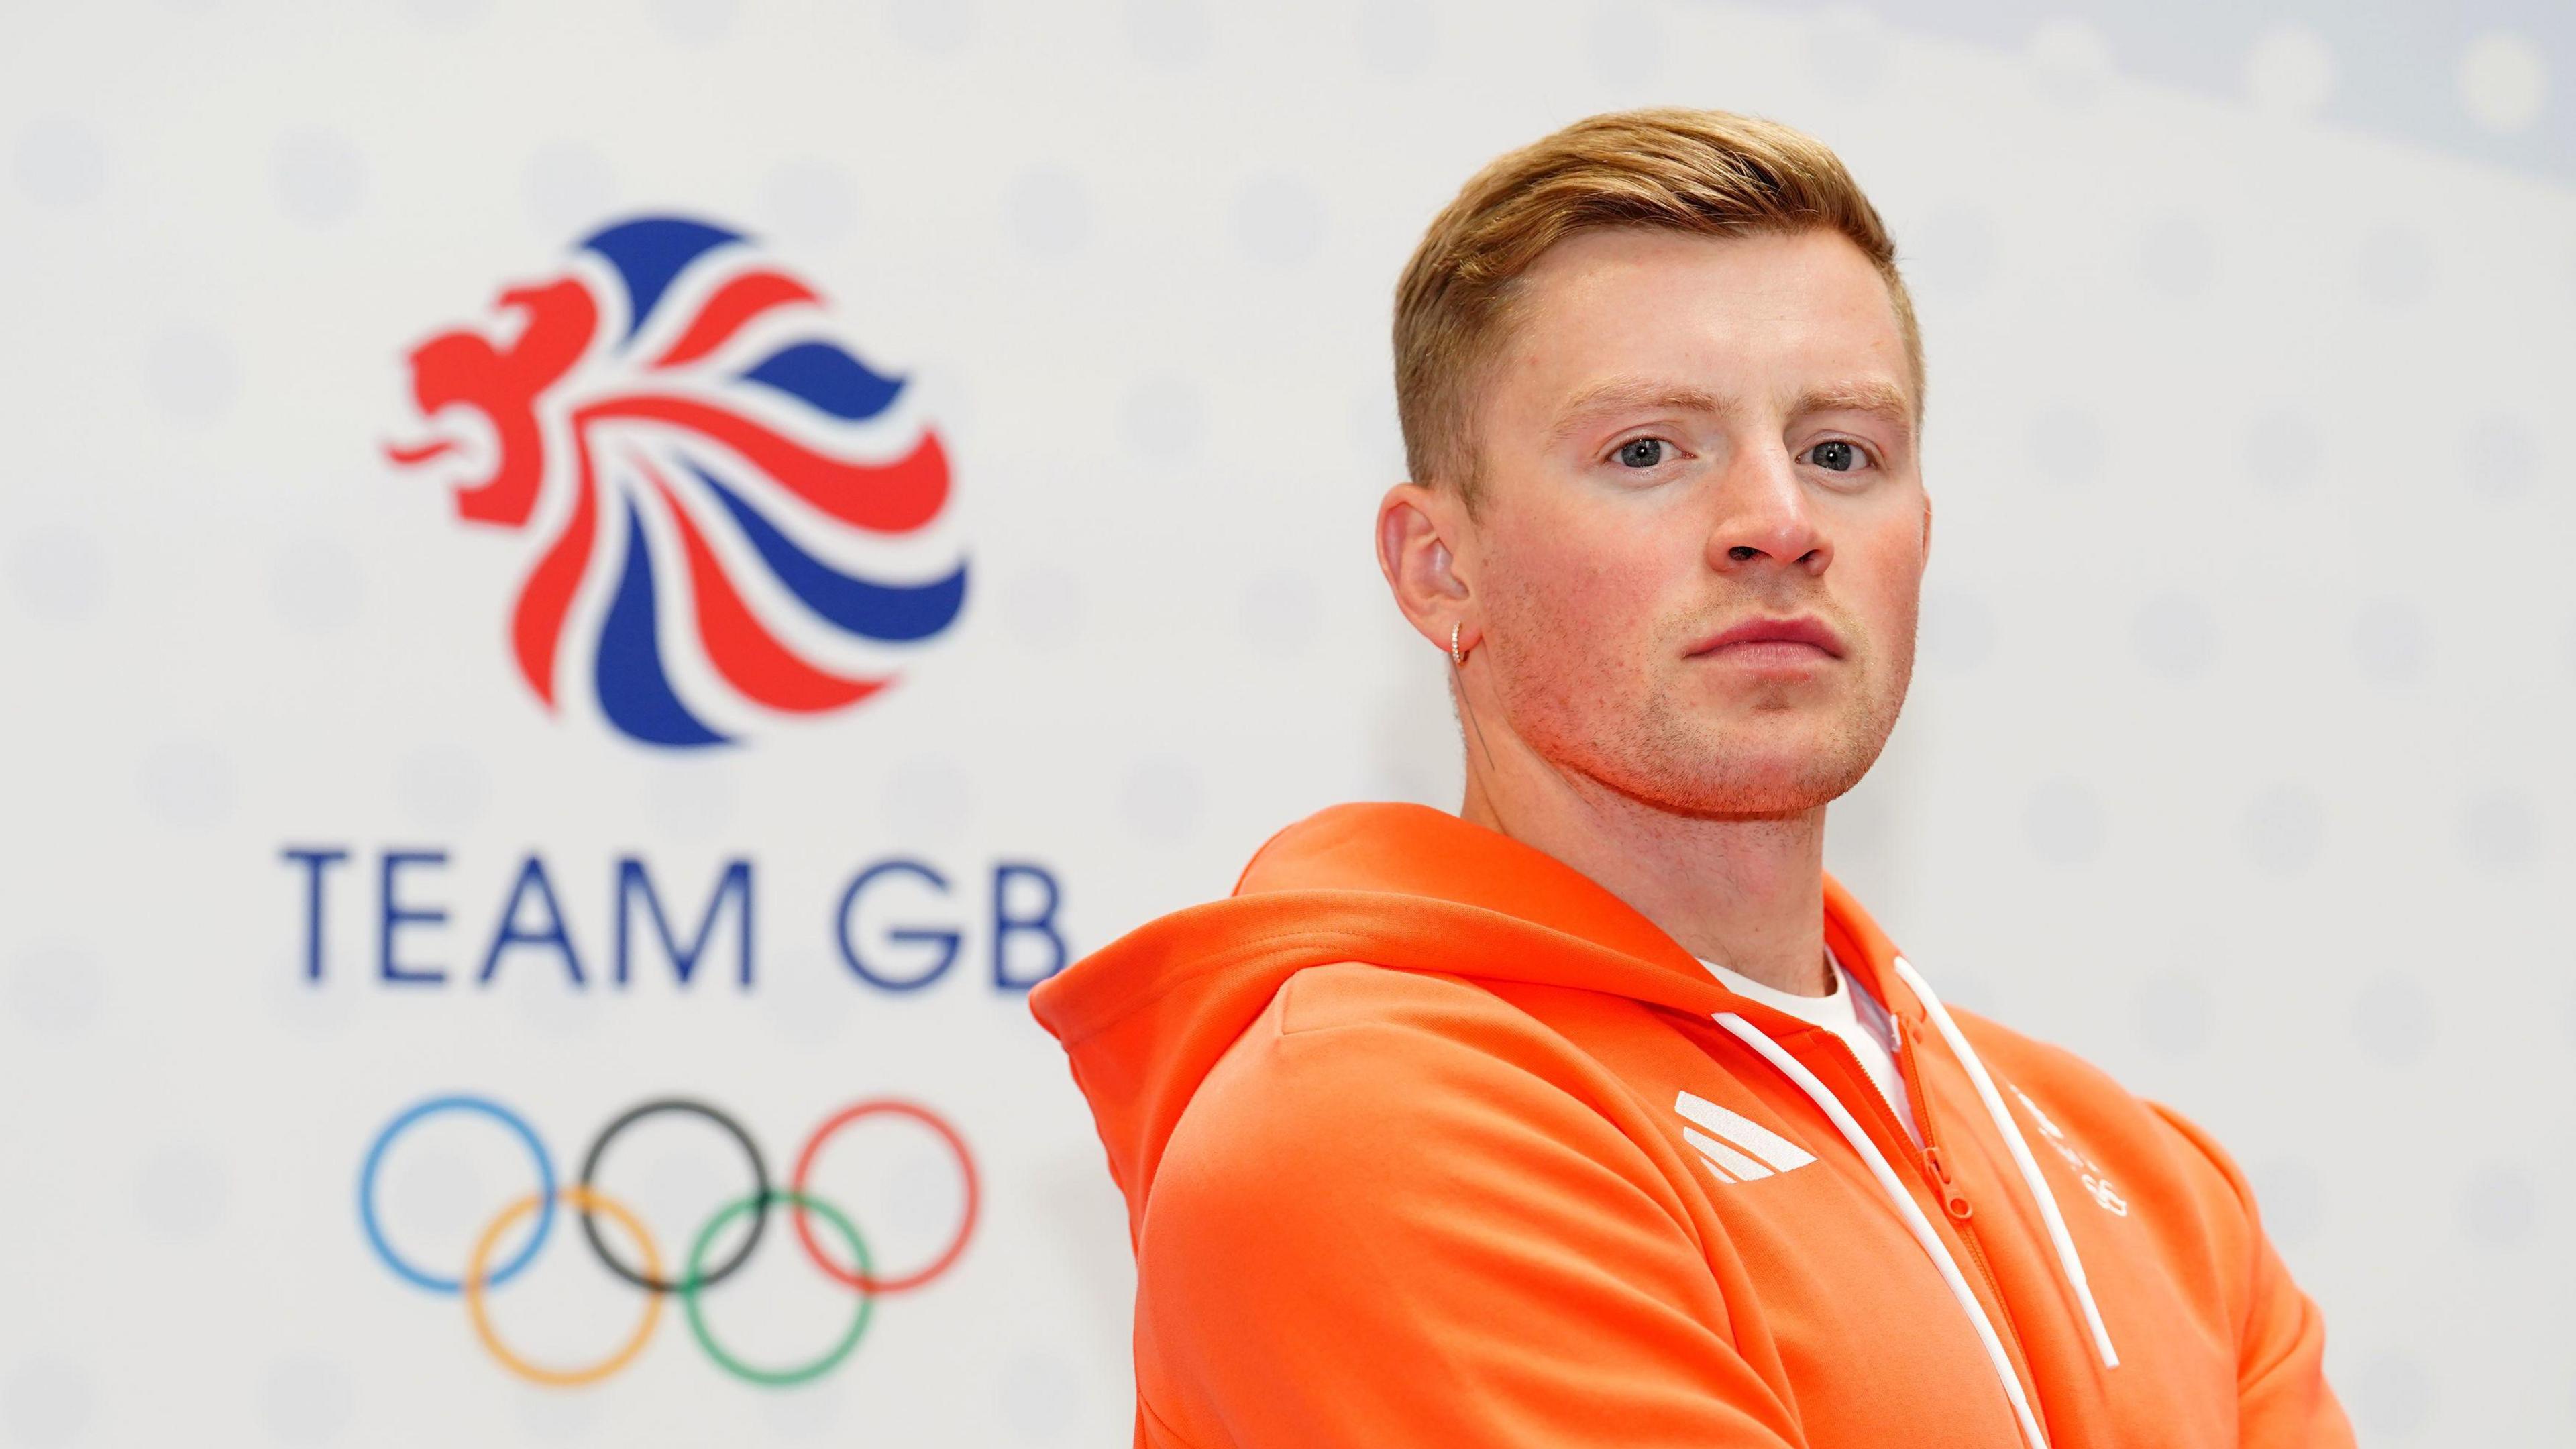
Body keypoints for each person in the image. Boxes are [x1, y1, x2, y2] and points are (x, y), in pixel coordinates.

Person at [1030, 107, 2351, 1448]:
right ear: (1440, 569)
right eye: (1649, 451)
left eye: (1842, 453)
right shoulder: (1363, 1128)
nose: (1779, 523)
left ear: (1921, 535)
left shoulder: (2154, 1184)